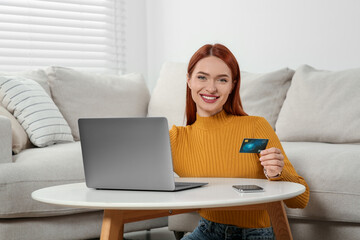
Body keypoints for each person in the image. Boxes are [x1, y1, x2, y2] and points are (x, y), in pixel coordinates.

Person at [169, 43, 309, 240]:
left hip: (254, 234)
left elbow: (301, 200)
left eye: (222, 80)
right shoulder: (175, 139)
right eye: (202, 77)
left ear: (232, 85)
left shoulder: (254, 127)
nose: (211, 88)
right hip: (206, 231)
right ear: (189, 80)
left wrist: (278, 173)